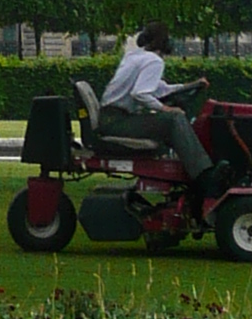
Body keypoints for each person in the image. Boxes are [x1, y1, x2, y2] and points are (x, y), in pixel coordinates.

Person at [97, 26, 230, 202]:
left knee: (172, 118)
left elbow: (160, 89)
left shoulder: (135, 56)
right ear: (165, 43)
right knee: (174, 119)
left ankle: (189, 172)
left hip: (111, 118)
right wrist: (165, 109)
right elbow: (140, 93)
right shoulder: (154, 61)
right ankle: (205, 176)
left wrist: (189, 86)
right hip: (117, 121)